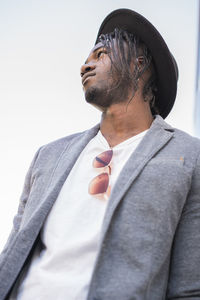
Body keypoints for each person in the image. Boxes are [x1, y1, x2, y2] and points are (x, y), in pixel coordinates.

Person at [0, 8, 200, 300]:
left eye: (101, 54)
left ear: (139, 65)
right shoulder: (48, 156)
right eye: (85, 60)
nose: (85, 66)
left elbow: (189, 287)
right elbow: (13, 253)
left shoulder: (189, 156)